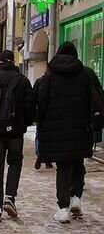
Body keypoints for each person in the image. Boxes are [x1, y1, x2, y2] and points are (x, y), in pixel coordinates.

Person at [36, 41, 104, 223]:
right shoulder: (87, 74)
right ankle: (76, 198)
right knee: (78, 163)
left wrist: (41, 123)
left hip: (57, 131)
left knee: (63, 168)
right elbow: (99, 98)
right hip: (81, 129)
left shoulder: (50, 75)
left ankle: (63, 208)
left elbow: (42, 102)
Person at [0, 50, 35, 221]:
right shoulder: (23, 81)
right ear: (13, 62)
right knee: (15, 163)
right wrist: (22, 123)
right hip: (15, 132)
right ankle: (9, 198)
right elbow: (30, 106)